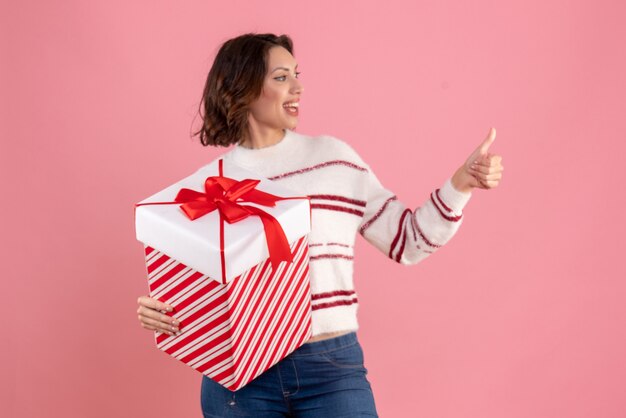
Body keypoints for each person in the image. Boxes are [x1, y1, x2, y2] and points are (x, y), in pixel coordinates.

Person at [135, 33, 503, 417]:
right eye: (281, 77)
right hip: (237, 379)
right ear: (242, 86)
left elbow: (408, 242)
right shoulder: (207, 187)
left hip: (331, 369)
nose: (299, 86)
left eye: (297, 74)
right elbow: (196, 291)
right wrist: (163, 311)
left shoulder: (334, 161)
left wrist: (461, 184)